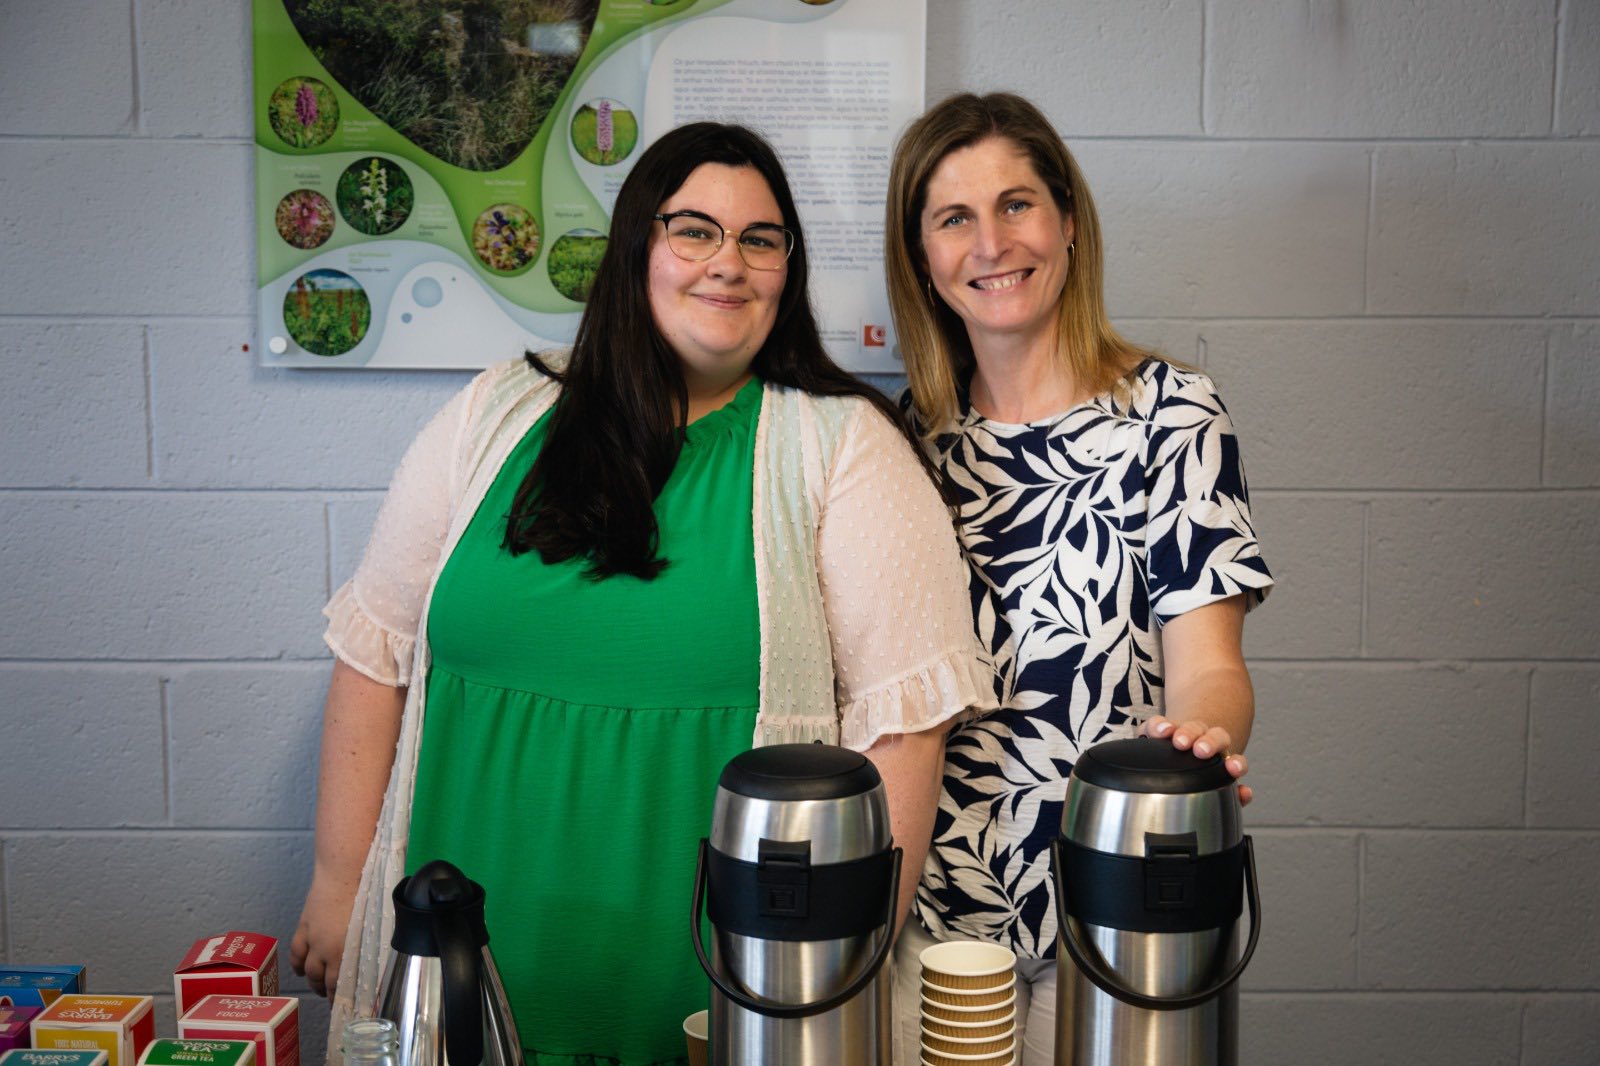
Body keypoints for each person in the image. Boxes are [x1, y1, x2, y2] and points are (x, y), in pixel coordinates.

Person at [289, 122, 995, 1065]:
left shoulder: (843, 447)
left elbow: (903, 735)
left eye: (760, 240)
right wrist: (337, 883)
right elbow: (374, 656)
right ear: (636, 247)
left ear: (788, 272)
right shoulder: (496, 412)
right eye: (694, 230)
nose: (728, 263)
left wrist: (833, 969)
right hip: (451, 977)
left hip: (718, 1003)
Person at [881, 93, 1275, 1064]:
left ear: (1066, 220)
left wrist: (1203, 738)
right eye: (954, 217)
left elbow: (1209, 668)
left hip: (1115, 919)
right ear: (922, 257)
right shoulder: (899, 442)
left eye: (1016, 204)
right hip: (937, 928)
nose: (991, 243)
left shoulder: (1172, 416)